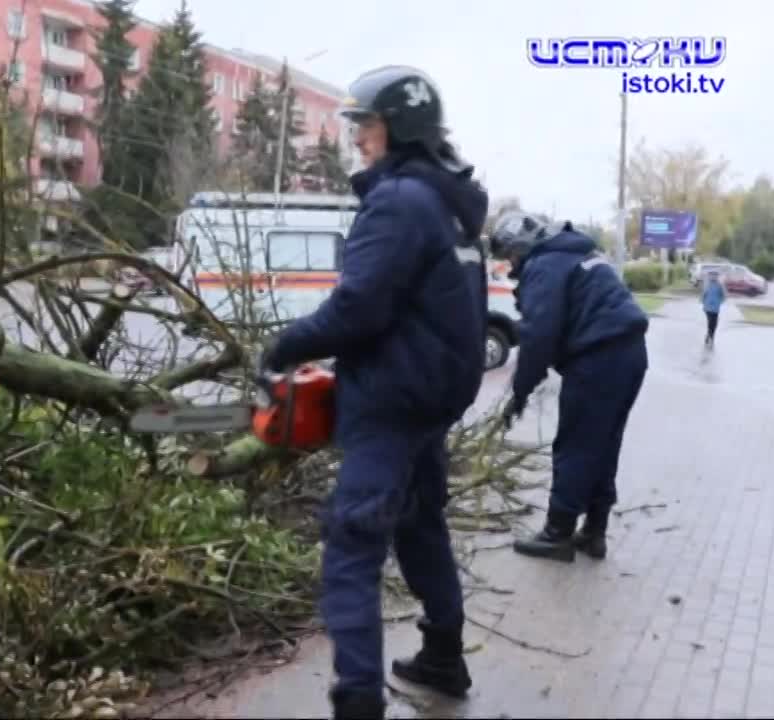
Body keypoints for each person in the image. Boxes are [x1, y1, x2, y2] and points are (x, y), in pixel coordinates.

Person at [260, 65, 489, 720]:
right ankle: (444, 655)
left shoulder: (399, 203)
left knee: (352, 549)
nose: (358, 138)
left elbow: (358, 309)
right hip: (431, 398)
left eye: (367, 124)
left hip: (390, 404)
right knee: (420, 525)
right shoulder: (448, 204)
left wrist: (285, 346)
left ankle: (356, 701)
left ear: (400, 128)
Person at [490, 212, 649, 563]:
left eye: (511, 255)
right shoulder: (573, 254)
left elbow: (540, 337)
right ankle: (594, 531)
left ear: (522, 247)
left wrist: (520, 392)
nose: (510, 263)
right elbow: (555, 320)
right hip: (629, 354)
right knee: (602, 445)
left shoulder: (545, 265)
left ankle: (557, 533)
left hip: (598, 359)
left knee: (576, 444)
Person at [702, 269, 725, 347]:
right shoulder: (707, 284)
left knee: (714, 324)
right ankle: (710, 337)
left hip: (715, 308)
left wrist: (719, 302)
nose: (713, 276)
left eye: (715, 275)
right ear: (709, 276)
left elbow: (723, 295)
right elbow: (703, 295)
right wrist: (703, 304)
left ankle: (710, 335)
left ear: (717, 276)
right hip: (708, 307)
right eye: (711, 275)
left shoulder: (720, 285)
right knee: (710, 322)